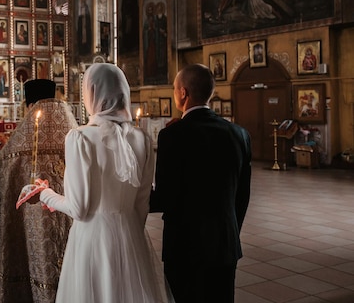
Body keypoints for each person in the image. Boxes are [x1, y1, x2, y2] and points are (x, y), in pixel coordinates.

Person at [39, 63, 170, 303]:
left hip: (92, 238)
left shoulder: (80, 138)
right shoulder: (142, 139)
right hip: (131, 235)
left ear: (92, 94)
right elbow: (142, 206)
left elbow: (78, 209)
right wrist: (127, 234)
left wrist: (45, 194)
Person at [150, 64, 252, 303]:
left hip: (185, 247)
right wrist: (229, 230)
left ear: (183, 93)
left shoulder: (172, 136)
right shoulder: (239, 134)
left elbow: (165, 197)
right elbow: (242, 195)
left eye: (175, 89)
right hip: (225, 243)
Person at [0, 79, 78, 303]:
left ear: (28, 104)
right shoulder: (75, 133)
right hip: (72, 224)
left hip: (30, 230)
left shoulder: (15, 147)